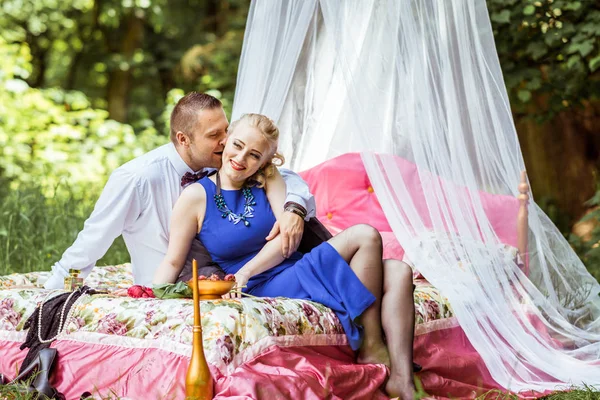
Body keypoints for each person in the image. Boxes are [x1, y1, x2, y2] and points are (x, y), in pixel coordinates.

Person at [153, 113, 416, 399]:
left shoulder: (268, 178)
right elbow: (173, 261)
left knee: (400, 271)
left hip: (290, 266)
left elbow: (287, 239)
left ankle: (402, 380)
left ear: (265, 161)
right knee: (365, 234)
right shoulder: (195, 196)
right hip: (259, 285)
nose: (241, 158)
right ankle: (371, 346)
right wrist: (150, 298)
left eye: (254, 155)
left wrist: (252, 265)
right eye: (237, 145)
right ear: (226, 139)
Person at [44, 93, 316, 290]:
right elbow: (89, 246)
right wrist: (55, 295)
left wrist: (294, 208)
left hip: (223, 287)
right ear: (183, 139)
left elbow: (286, 177)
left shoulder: (226, 161)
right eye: (214, 135)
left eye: (226, 131)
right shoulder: (136, 179)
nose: (225, 141)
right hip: (166, 291)